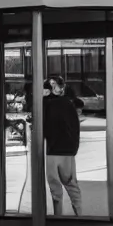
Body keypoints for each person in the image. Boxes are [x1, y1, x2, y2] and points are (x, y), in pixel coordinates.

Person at [43, 76, 82, 216]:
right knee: (71, 185)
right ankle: (79, 214)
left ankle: (57, 216)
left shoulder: (45, 105)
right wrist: (74, 148)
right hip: (68, 150)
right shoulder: (68, 104)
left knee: (55, 188)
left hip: (52, 150)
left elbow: (43, 128)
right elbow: (75, 128)